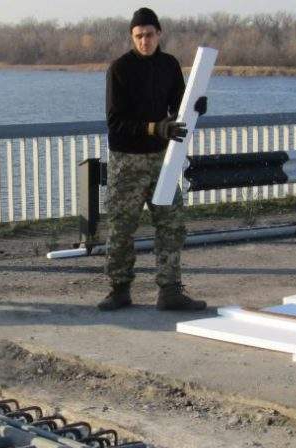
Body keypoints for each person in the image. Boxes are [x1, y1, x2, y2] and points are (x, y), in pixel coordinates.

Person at [100, 7, 205, 312]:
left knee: (171, 225)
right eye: (138, 36)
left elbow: (180, 108)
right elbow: (115, 122)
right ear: (132, 37)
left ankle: (170, 290)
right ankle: (119, 289)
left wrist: (196, 107)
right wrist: (154, 127)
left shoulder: (169, 66)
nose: (144, 40)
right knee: (121, 228)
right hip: (127, 161)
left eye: (149, 34)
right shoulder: (119, 69)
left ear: (159, 34)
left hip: (163, 160)